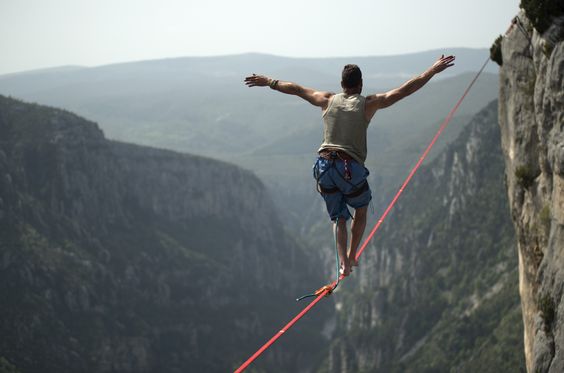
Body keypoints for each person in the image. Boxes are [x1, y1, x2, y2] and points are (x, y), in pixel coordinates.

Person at [244, 55, 455, 277]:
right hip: (349, 168)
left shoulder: (326, 99)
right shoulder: (368, 103)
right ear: (360, 84)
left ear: (342, 85)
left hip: (324, 166)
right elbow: (403, 91)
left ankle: (342, 262)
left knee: (338, 218)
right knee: (361, 210)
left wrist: (269, 81)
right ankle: (352, 255)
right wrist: (431, 71)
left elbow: (296, 89)